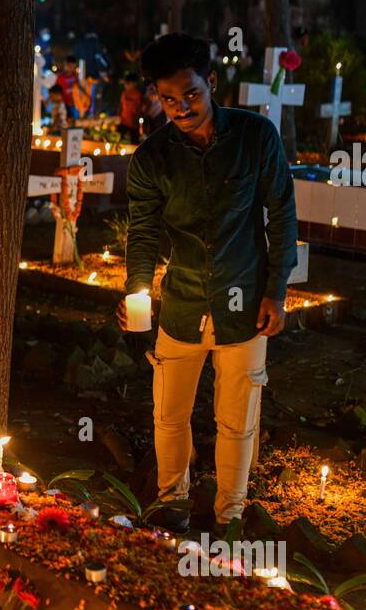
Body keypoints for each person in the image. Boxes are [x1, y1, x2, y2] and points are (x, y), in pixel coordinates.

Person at [117, 33, 296, 533]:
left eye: (190, 94)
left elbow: (281, 212)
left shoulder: (255, 137)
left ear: (211, 83)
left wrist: (276, 291)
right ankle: (173, 503)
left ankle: (230, 514)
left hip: (245, 303)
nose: (180, 108)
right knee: (169, 414)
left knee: (237, 420)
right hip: (182, 303)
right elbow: (145, 231)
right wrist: (136, 290)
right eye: (168, 99)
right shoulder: (152, 158)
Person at [117, 72, 143, 142]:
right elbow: (121, 106)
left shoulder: (138, 94)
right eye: (125, 84)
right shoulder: (124, 93)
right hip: (124, 122)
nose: (125, 86)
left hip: (133, 124)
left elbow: (139, 109)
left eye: (127, 84)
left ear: (133, 83)